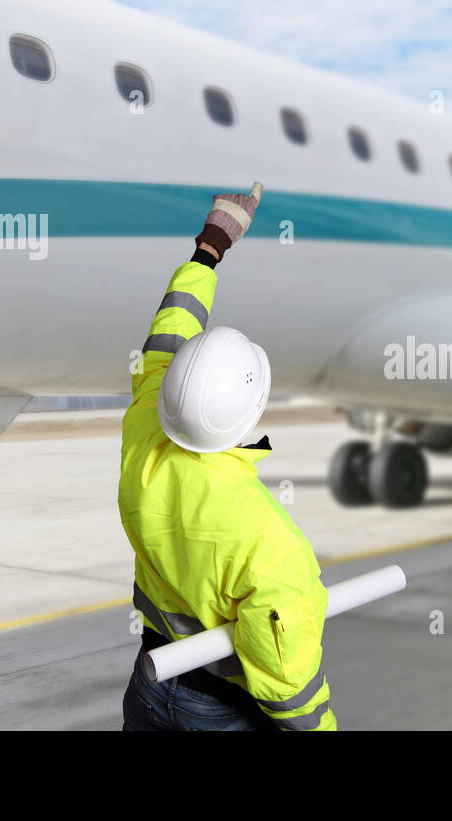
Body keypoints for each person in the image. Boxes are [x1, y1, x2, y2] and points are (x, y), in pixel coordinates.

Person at [120, 184, 336, 731]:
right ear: (255, 409)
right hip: (217, 710)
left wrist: (209, 248)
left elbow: (170, 331)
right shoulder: (270, 543)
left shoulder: (145, 427)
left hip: (151, 680)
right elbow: (292, 693)